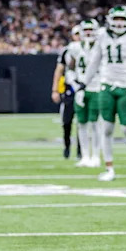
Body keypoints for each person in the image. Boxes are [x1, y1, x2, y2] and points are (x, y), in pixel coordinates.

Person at [80, 6, 126, 181]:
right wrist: (82, 86)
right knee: (107, 129)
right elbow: (94, 62)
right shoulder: (102, 35)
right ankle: (109, 168)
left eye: (122, 19)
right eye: (116, 19)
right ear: (110, 20)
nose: (119, 23)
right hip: (106, 86)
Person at [69, 19, 102, 167]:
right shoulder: (75, 47)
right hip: (80, 89)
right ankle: (85, 155)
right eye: (86, 30)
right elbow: (70, 68)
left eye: (91, 29)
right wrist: (75, 85)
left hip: (96, 88)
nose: (88, 32)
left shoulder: (101, 47)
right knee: (81, 124)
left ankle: (95, 155)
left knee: (95, 123)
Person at [51, 25, 80, 159]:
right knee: (66, 121)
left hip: (85, 88)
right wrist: (55, 90)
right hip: (70, 88)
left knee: (83, 122)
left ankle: (81, 150)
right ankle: (67, 146)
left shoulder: (92, 49)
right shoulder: (67, 51)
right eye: (77, 34)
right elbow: (59, 71)